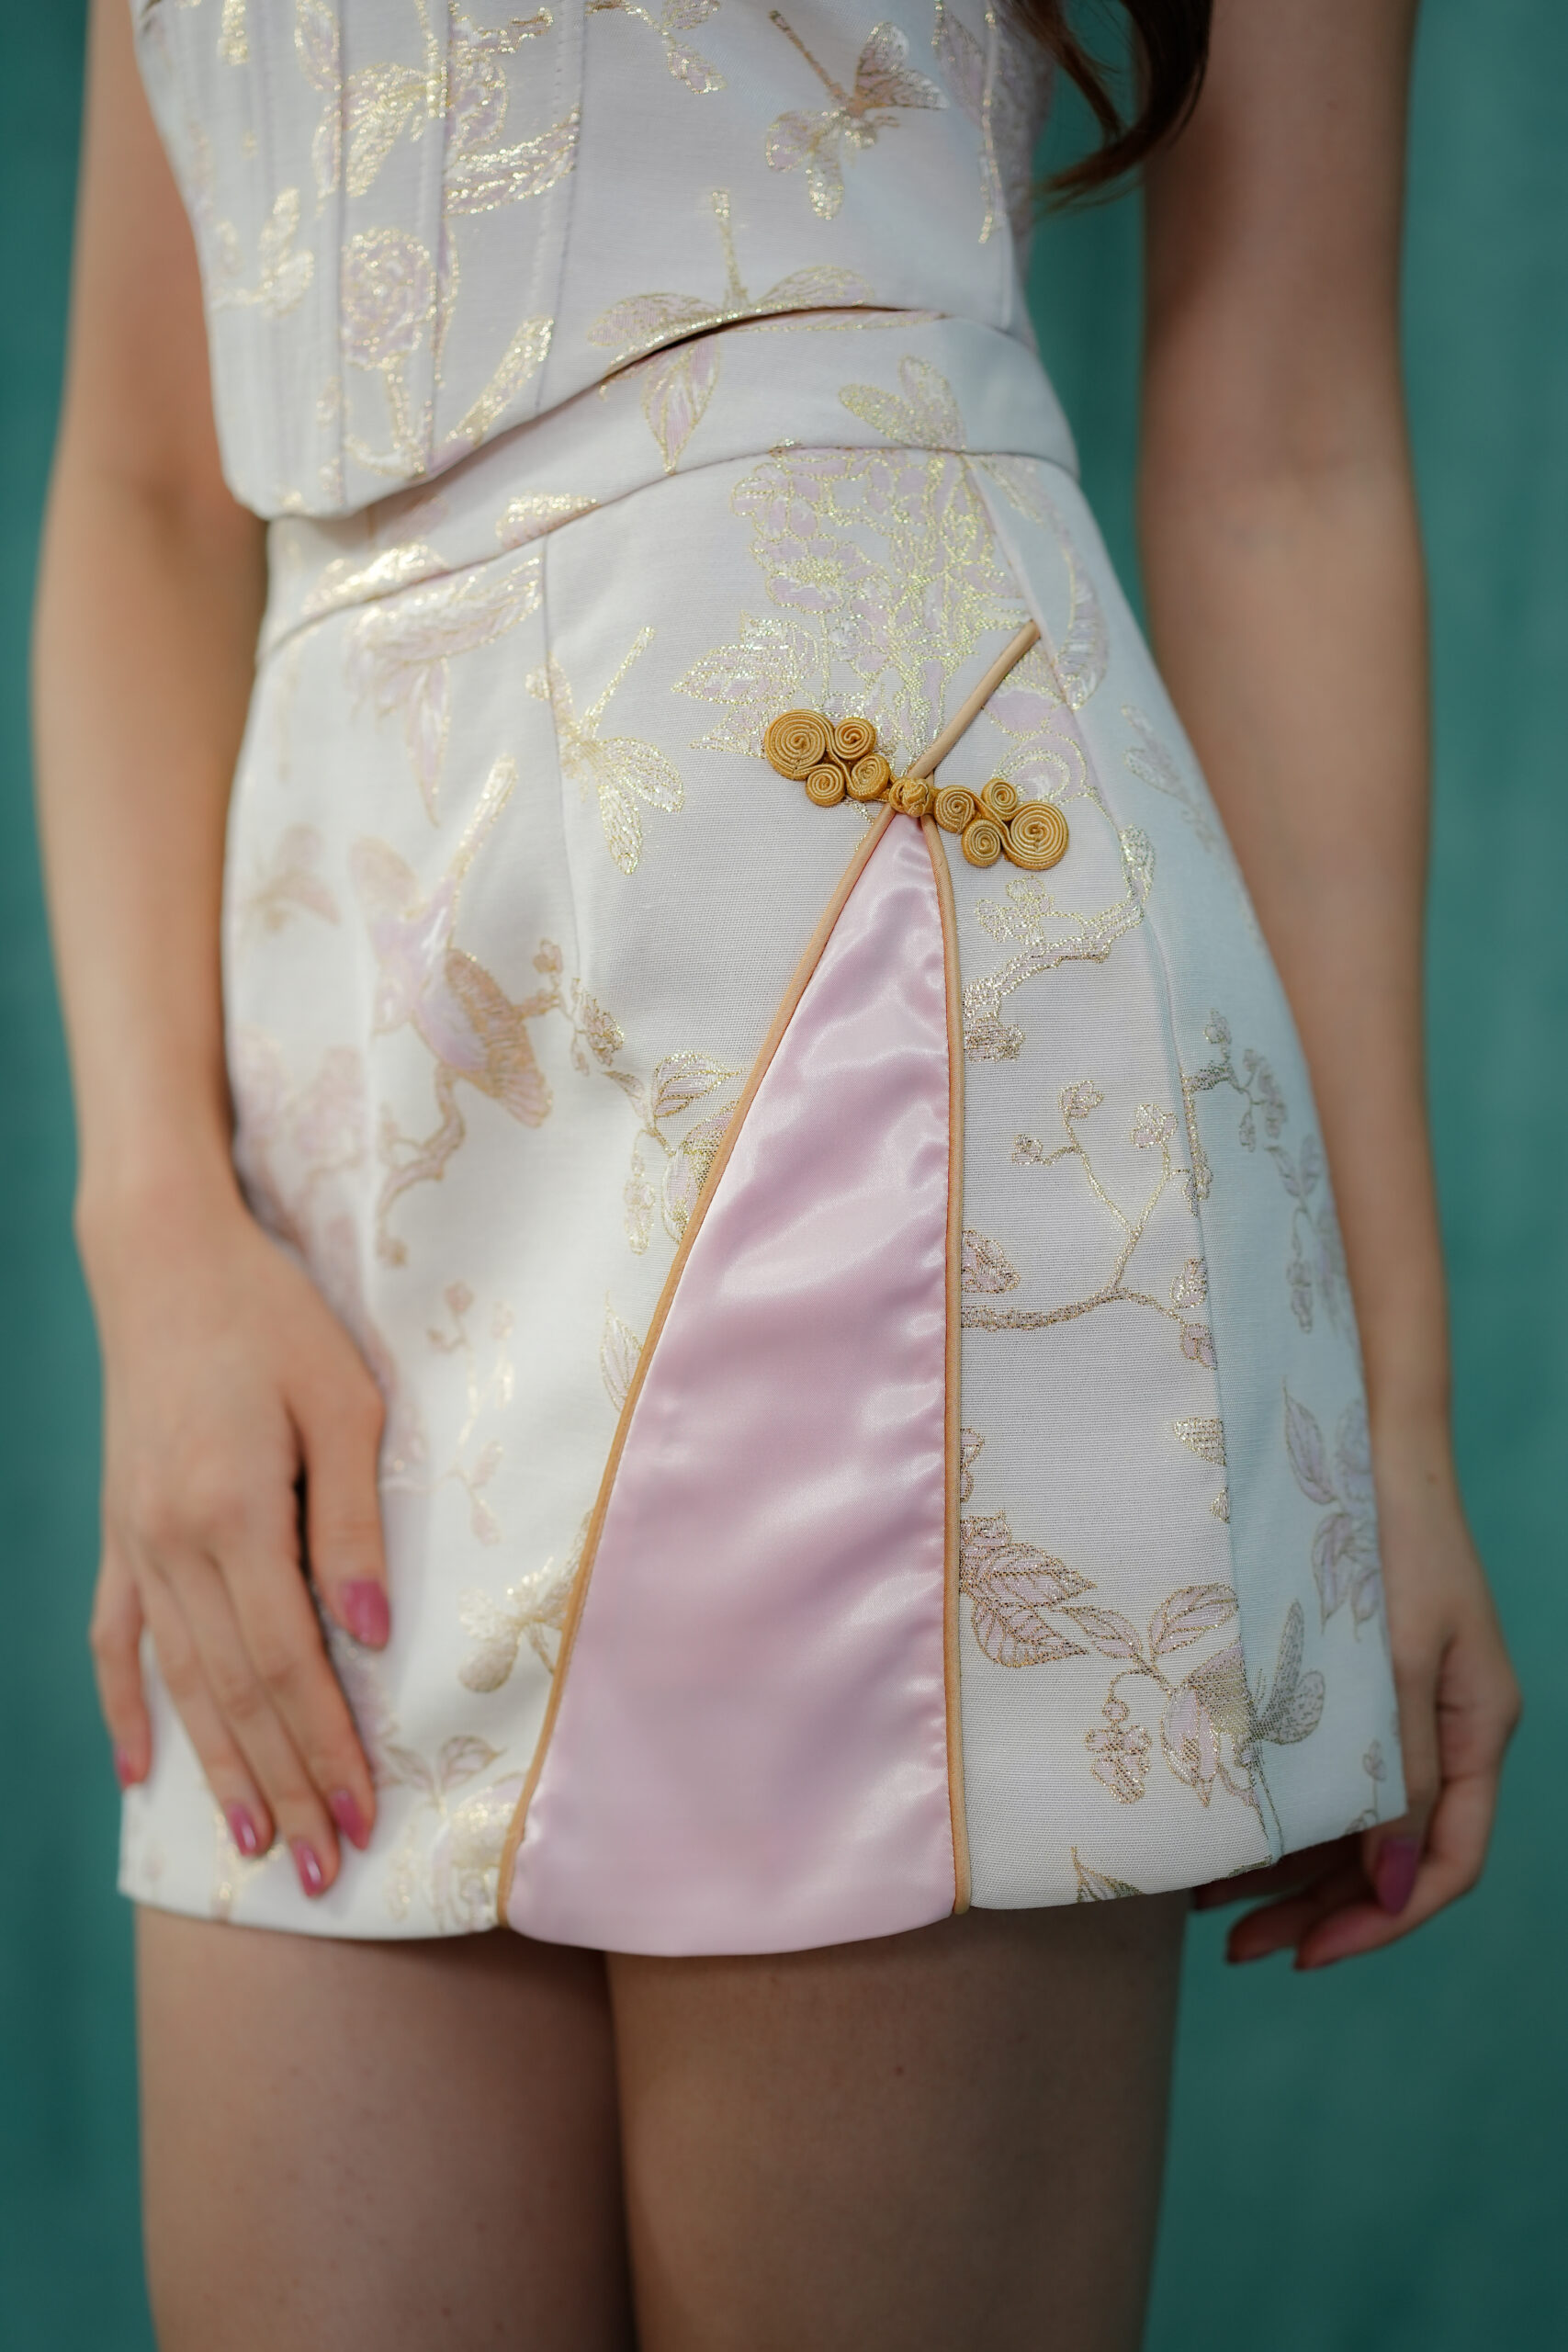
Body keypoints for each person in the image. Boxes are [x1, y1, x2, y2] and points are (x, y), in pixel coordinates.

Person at [33, 1, 1519, 2346]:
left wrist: (1385, 1416)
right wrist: (154, 1231)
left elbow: (1282, 457)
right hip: (334, 1182)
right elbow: (138, 482)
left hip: (895, 1026)